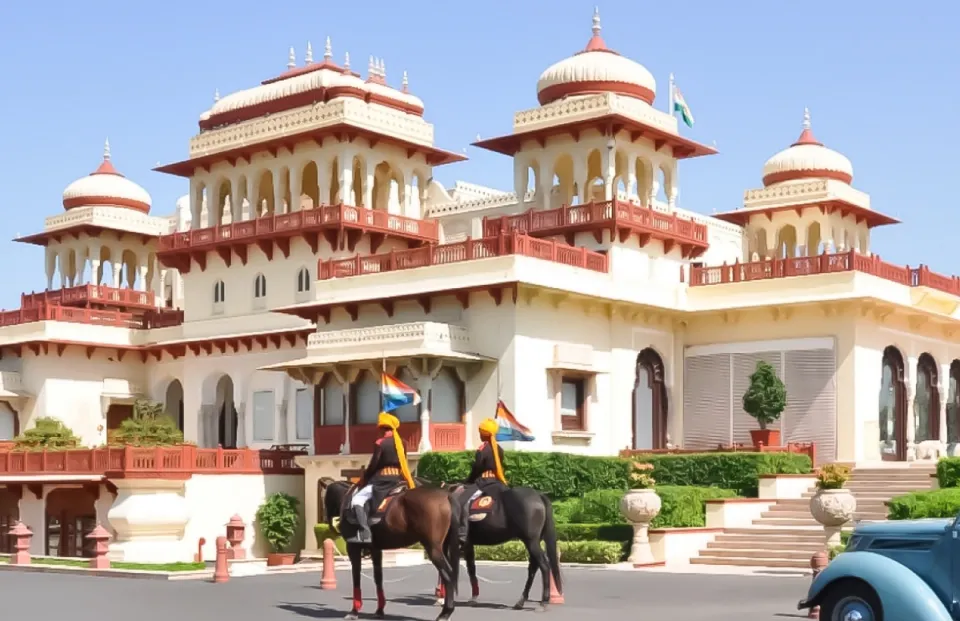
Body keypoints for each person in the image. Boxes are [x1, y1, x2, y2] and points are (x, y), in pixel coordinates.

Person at [347, 412, 415, 544]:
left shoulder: (380, 443)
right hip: (398, 481)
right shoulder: (403, 443)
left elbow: (374, 464)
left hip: (381, 481)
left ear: (382, 429)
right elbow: (404, 461)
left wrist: (365, 477)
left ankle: (365, 532)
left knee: (357, 500)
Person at [457, 417, 508, 543]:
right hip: (497, 482)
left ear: (483, 434)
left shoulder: (482, 449)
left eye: (480, 433)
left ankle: (462, 534)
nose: (479, 435)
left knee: (461, 502)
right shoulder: (499, 449)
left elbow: (477, 469)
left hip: (483, 483)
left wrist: (467, 481)